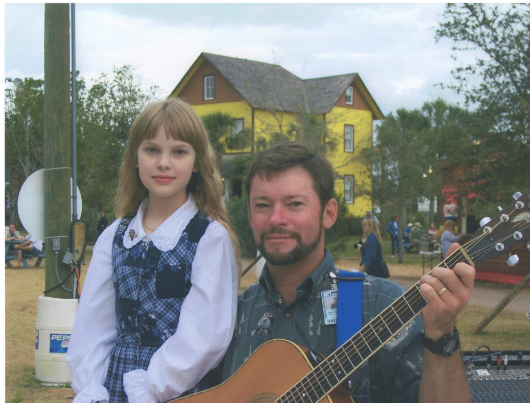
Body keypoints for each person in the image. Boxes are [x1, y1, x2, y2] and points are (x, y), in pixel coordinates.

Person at [222, 143, 474, 402]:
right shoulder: (231, 315)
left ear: (328, 213)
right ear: (250, 216)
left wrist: (442, 333)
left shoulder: (381, 304)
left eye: (294, 203)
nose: (276, 218)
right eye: (263, 205)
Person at [67, 98, 240, 403]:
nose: (164, 163)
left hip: (180, 389)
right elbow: (93, 324)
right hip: (115, 386)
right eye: (152, 150)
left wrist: (151, 387)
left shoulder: (209, 238)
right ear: (135, 157)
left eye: (179, 151)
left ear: (197, 161)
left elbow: (205, 335)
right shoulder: (115, 236)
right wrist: (92, 387)